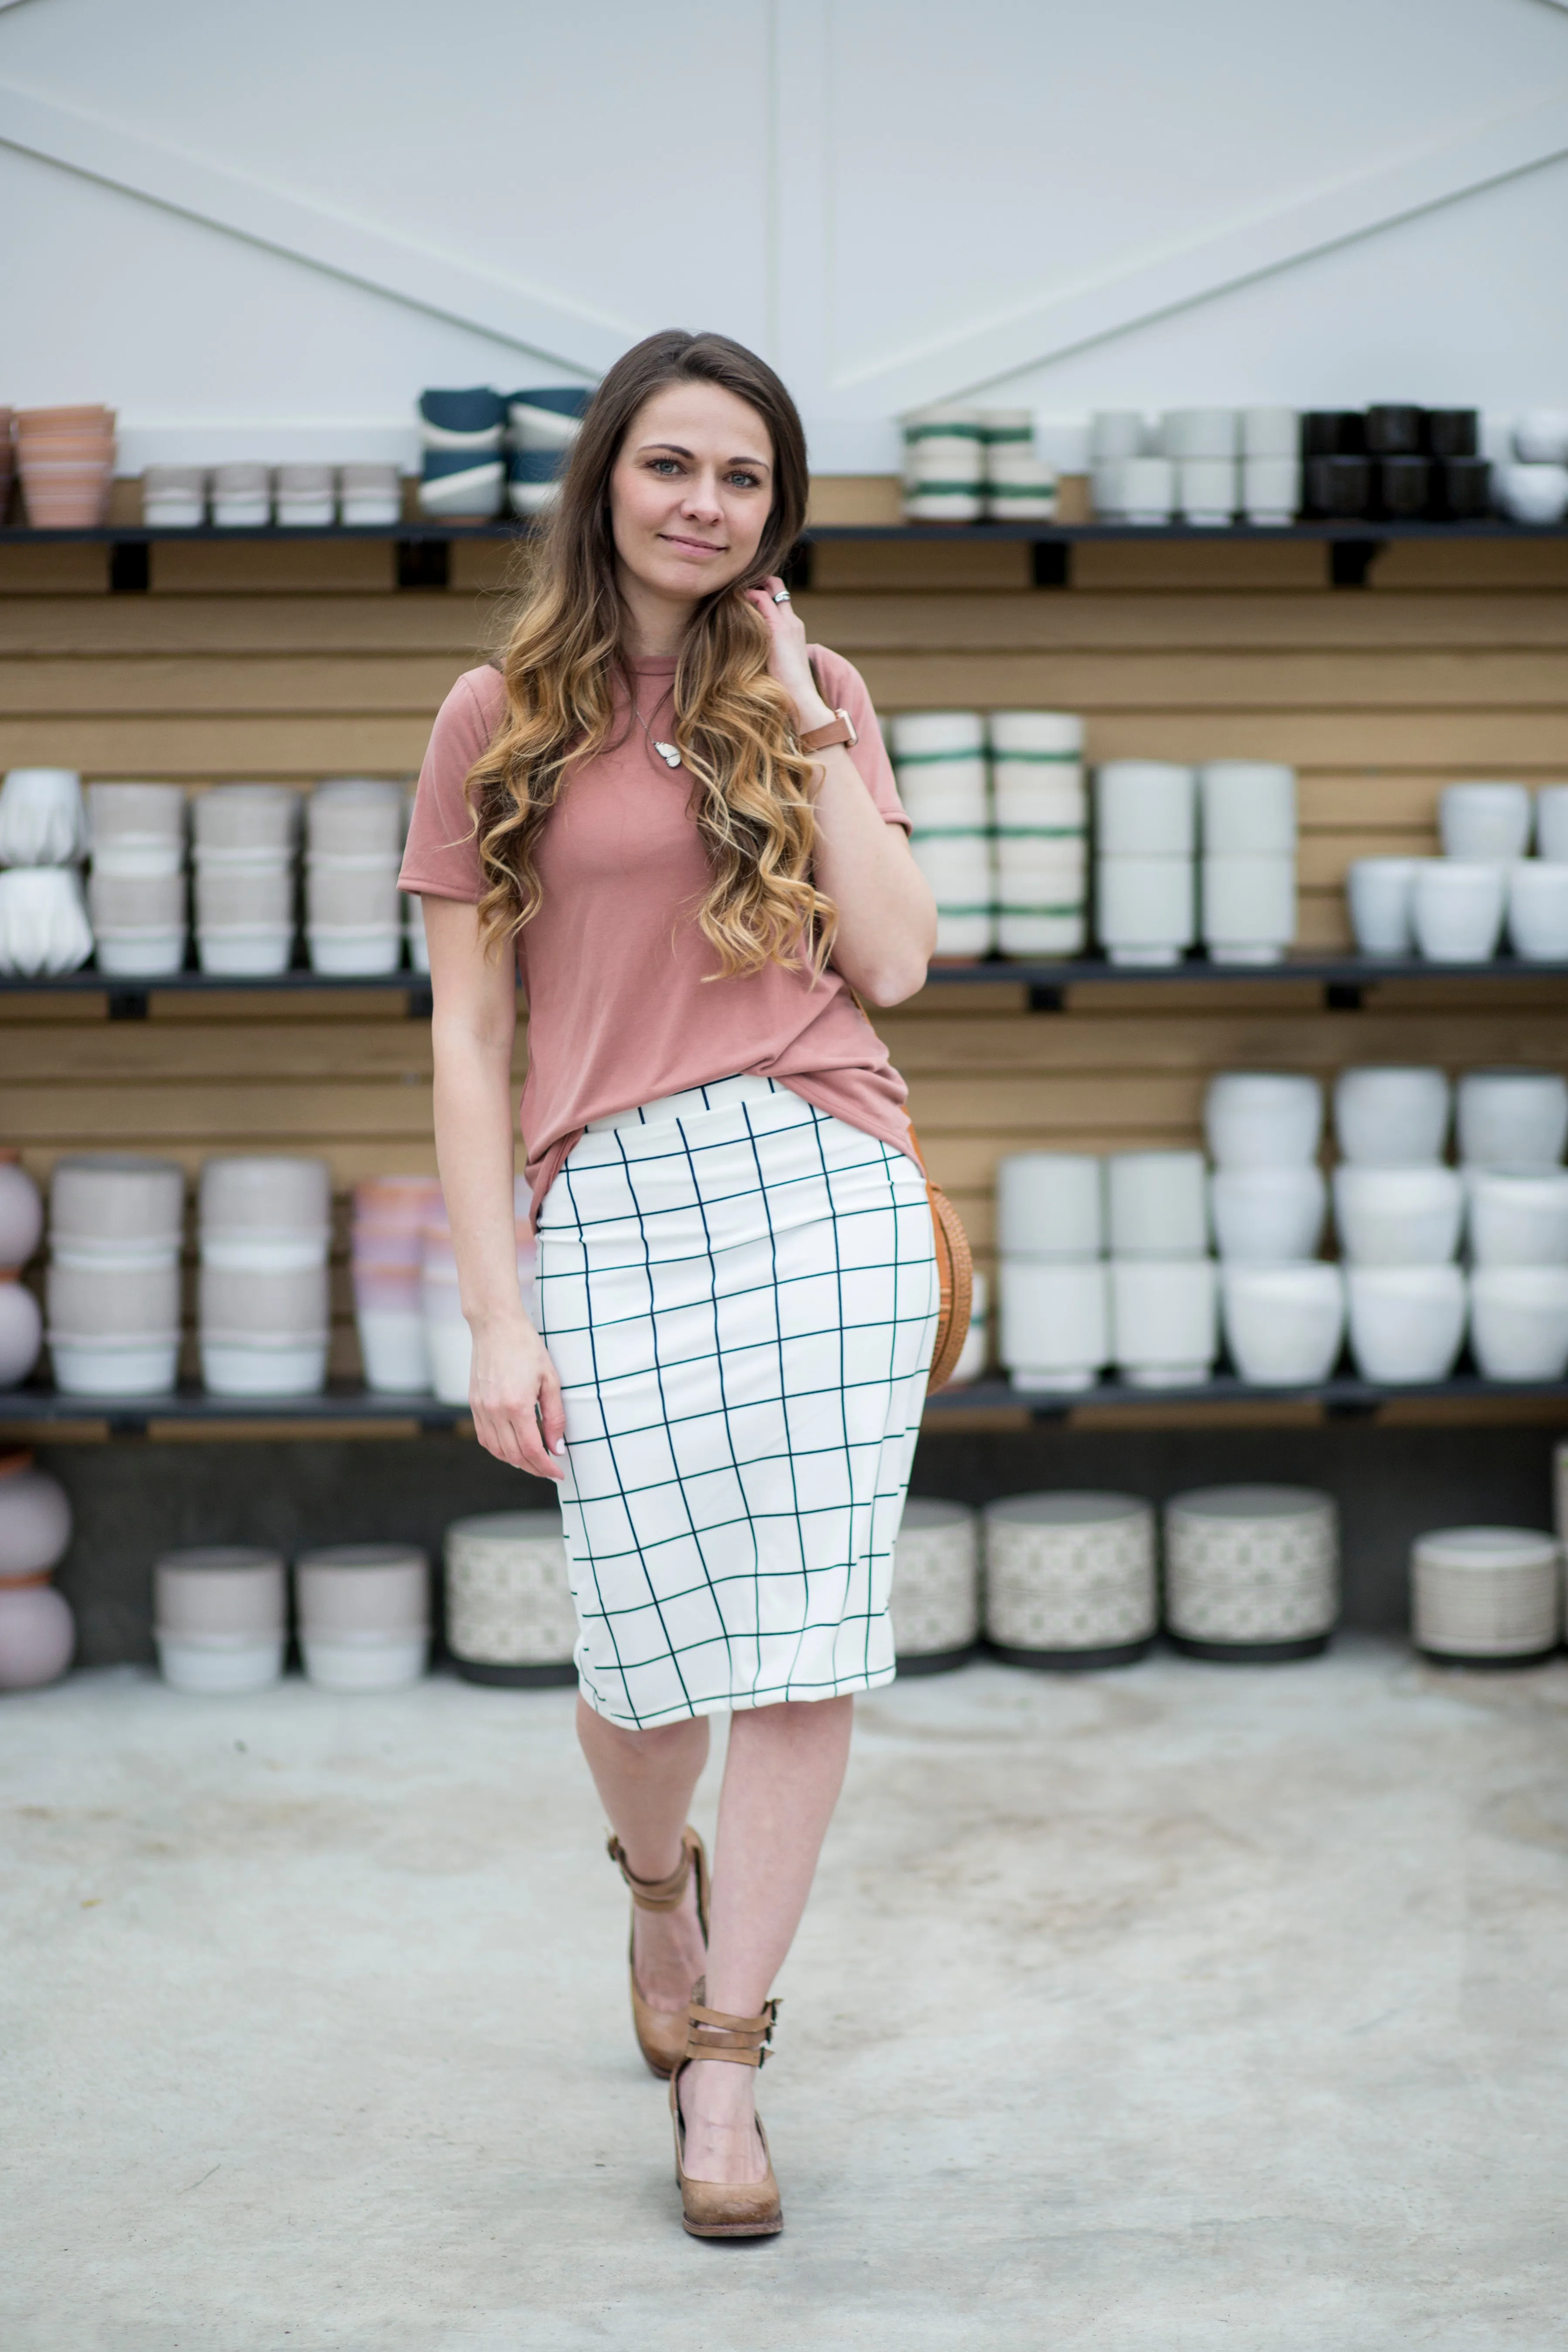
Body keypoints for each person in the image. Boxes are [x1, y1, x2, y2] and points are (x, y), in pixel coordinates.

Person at [398, 327, 938, 2238]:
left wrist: (798, 708)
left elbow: (895, 964)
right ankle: (655, 1885)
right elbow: (469, 1034)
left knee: (803, 1641)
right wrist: (492, 1305)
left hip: (822, 1177)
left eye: (745, 478)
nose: (708, 505)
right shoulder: (495, 714)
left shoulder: (817, 685)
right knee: (636, 1652)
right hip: (607, 1198)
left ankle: (726, 2062)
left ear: (777, 510)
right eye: (673, 468)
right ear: (605, 483)